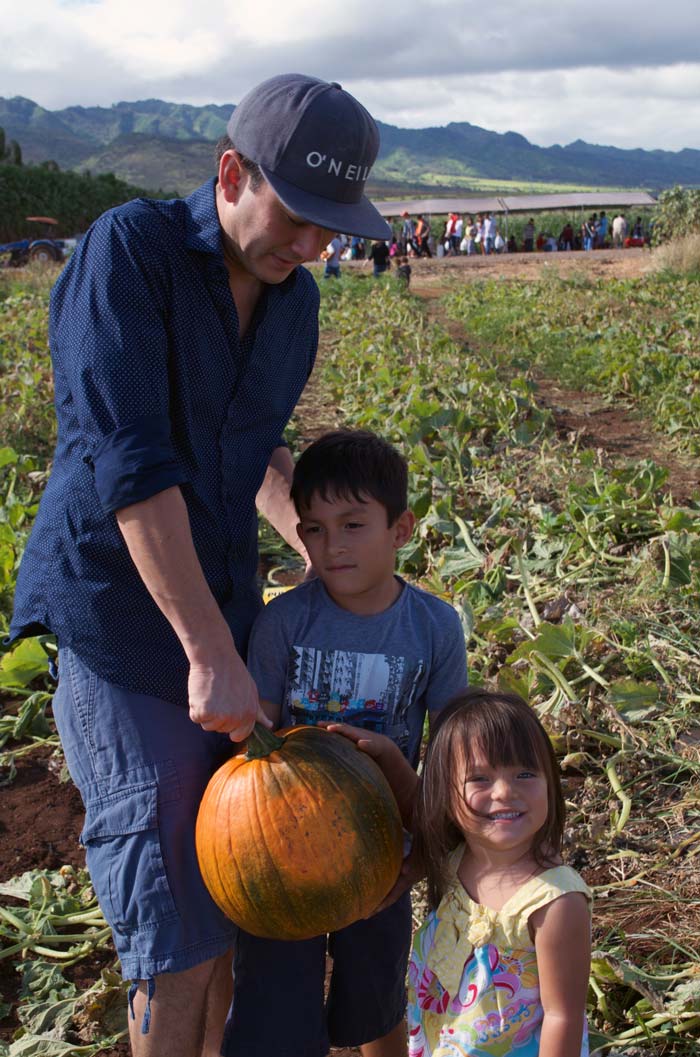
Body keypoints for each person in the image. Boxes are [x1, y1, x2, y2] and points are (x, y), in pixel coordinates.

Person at [8, 74, 391, 1057]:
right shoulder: (127, 252)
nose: (312, 247)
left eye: (331, 229)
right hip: (126, 627)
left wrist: (328, 563)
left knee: (235, 892)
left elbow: (261, 451)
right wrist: (209, 649)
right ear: (230, 172)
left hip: (219, 618)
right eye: (300, 218)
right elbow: (130, 465)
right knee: (174, 931)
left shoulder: (293, 302)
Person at [225, 429, 469, 1057]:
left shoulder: (435, 627)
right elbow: (256, 745)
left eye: (353, 524)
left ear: (402, 528)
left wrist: (429, 852)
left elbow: (450, 751)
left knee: (375, 1001)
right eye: (313, 529)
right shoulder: (283, 621)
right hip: (283, 854)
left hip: (384, 848)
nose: (331, 546)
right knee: (277, 1004)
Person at [332, 688, 592, 1057]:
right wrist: (389, 756)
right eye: (480, 779)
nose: (504, 791)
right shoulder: (457, 860)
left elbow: (562, 1017)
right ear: (446, 795)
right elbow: (418, 813)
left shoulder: (554, 904)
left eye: (525, 774)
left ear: (550, 782)